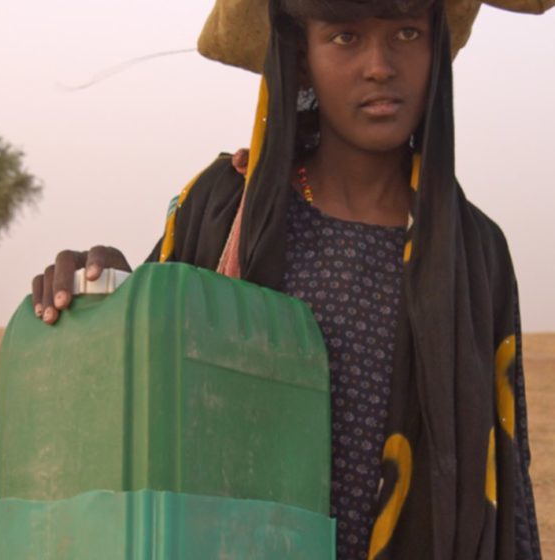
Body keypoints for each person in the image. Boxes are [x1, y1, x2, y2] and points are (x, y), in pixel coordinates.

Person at [30, 0, 551, 558]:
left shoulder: (476, 253)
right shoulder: (227, 211)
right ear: (300, 59)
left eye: (405, 32)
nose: (380, 65)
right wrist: (108, 301)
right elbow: (147, 407)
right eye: (346, 37)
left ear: (436, 50)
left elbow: (504, 480)